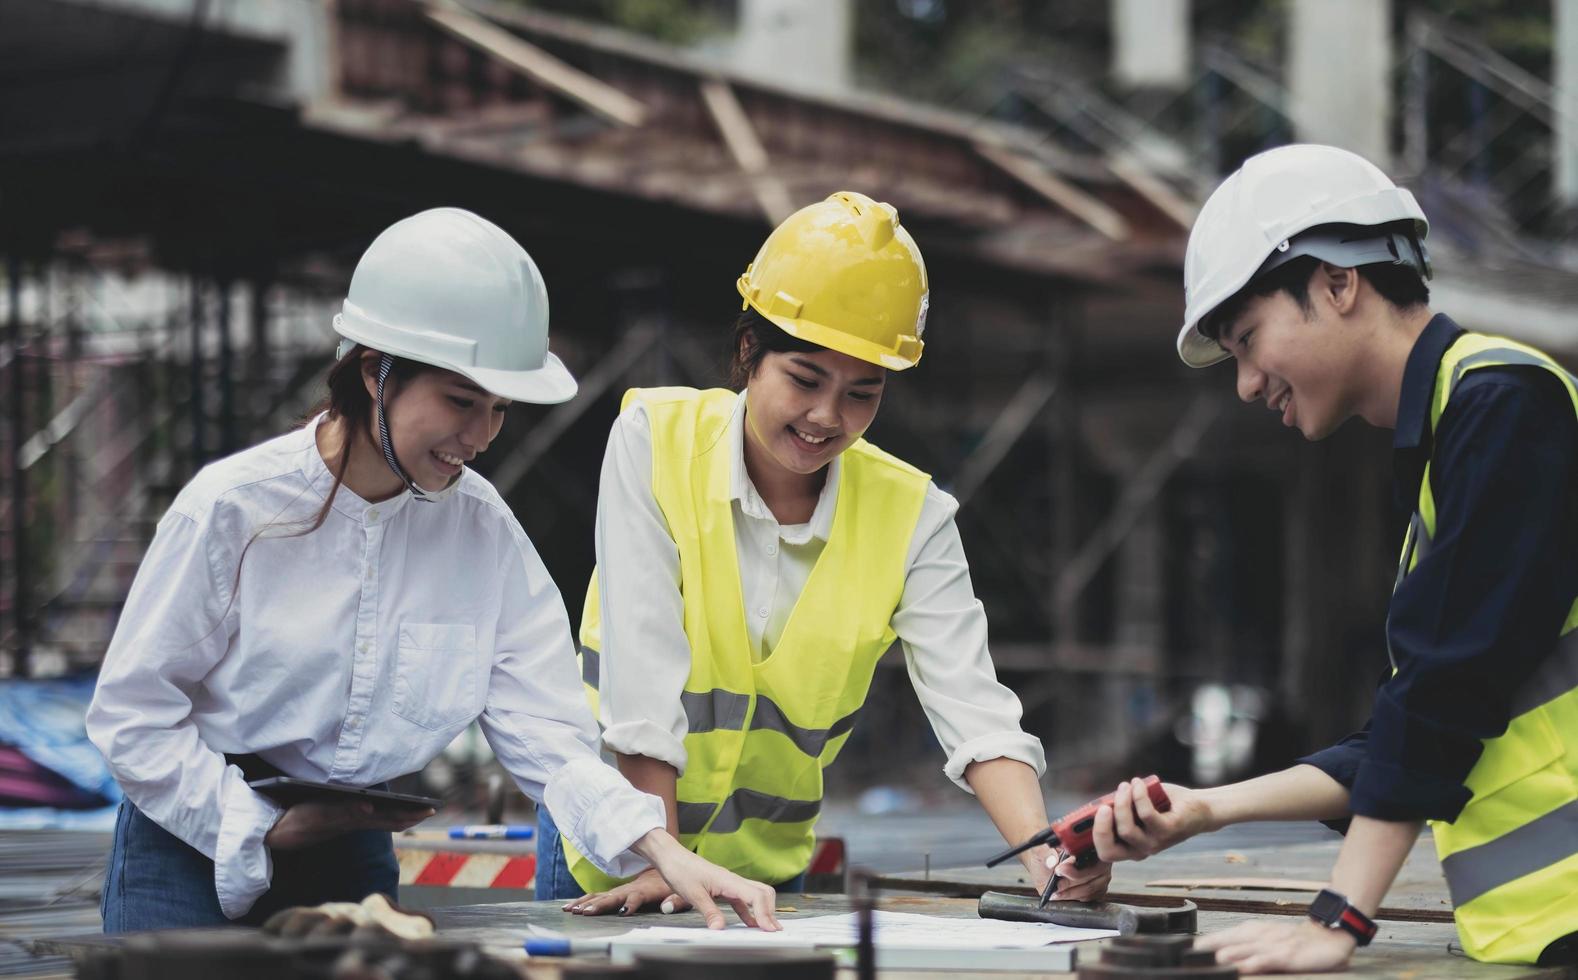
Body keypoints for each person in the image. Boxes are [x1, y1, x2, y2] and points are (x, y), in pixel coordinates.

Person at [86, 208, 778, 933]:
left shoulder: (484, 535)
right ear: (373, 373)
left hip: (350, 841)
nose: (480, 437)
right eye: (459, 401)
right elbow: (133, 714)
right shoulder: (231, 511)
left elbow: (549, 739)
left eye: (500, 409)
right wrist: (247, 820)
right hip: (190, 828)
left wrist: (661, 850)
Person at [534, 191, 1108, 916]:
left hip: (768, 873)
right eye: (805, 379)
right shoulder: (654, 441)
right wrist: (662, 856)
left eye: (862, 394)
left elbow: (975, 710)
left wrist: (1044, 855)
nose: (826, 418)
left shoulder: (914, 516)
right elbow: (640, 676)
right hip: (617, 856)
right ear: (748, 350)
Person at [1092, 145, 1577, 973]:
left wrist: (1337, 919)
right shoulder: (1457, 433)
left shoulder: (1503, 407)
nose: (1245, 384)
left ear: (1337, 283)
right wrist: (1203, 809)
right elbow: (1403, 737)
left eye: (1247, 340)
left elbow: (1443, 696)